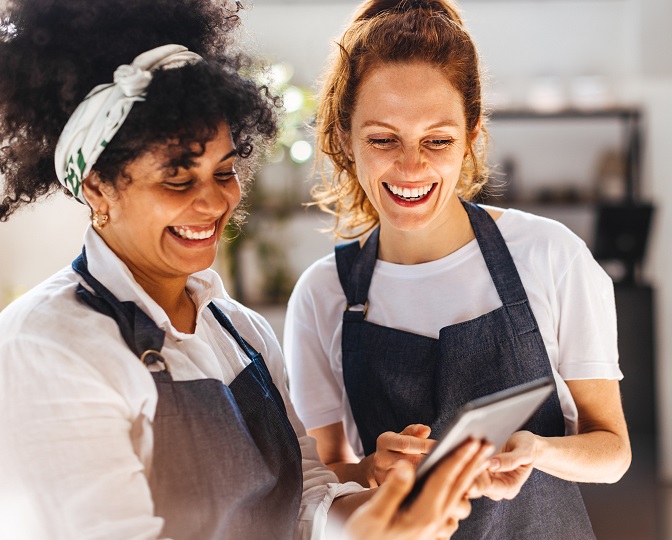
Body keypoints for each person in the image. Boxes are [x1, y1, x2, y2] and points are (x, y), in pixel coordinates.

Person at [0, 1, 494, 538]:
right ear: (98, 186)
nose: (213, 203)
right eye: (178, 179)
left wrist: (377, 518)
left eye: (225, 170)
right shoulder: (49, 345)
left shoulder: (242, 333)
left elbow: (303, 498)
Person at [283, 0, 633, 538]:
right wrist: (371, 470)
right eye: (382, 139)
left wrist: (538, 450)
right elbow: (320, 475)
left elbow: (612, 451)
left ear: (470, 137)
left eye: (438, 140)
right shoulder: (322, 294)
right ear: (344, 140)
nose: (411, 167)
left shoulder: (549, 255)